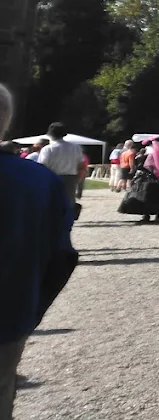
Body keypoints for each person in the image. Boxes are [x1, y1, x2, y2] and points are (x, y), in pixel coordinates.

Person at [0, 84, 78, 420]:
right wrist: (30, 310)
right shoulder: (38, 180)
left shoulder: (41, 162)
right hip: (8, 315)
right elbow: (60, 259)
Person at [118, 139, 159, 223]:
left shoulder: (150, 155)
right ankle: (157, 214)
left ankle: (146, 215)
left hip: (149, 177)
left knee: (146, 197)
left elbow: (146, 166)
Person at [36, 123, 83, 209]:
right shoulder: (75, 147)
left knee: (53, 202)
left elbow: (42, 166)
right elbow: (81, 165)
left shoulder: (47, 149)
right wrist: (77, 179)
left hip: (52, 177)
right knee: (68, 202)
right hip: (71, 177)